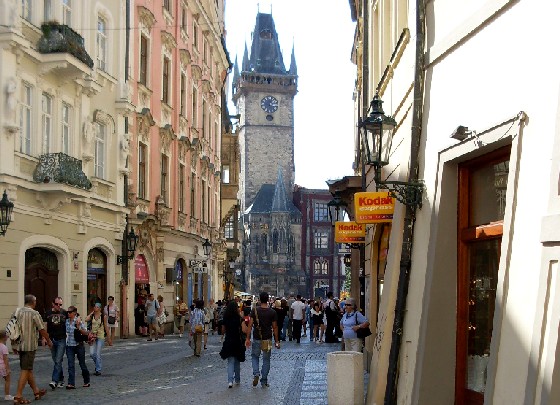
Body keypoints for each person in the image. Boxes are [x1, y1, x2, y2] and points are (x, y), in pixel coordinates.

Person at [12, 294, 52, 404]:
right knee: (25, 370)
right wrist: (48, 340)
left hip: (20, 345)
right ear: (33, 302)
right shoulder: (34, 313)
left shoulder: (17, 312)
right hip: (29, 346)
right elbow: (42, 329)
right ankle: (18, 396)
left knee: (28, 368)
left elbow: (12, 328)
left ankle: (36, 392)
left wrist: (13, 345)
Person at [245, 291, 280, 388]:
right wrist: (277, 341)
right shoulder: (272, 312)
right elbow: (275, 327)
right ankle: (264, 381)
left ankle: (256, 373)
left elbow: (250, 325)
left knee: (255, 356)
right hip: (267, 339)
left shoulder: (255, 311)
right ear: (268, 300)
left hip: (256, 338)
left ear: (260, 299)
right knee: (266, 360)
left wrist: (247, 338)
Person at [219, 301, 248, 388]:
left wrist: (223, 335)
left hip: (229, 341)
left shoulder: (226, 318)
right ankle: (237, 379)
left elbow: (223, 330)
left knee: (230, 362)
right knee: (237, 361)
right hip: (238, 341)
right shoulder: (239, 318)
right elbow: (244, 330)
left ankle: (230, 381)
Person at [43, 296, 66, 390]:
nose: (58, 306)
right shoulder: (48, 313)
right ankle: (61, 379)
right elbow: (44, 326)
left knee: (58, 360)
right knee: (56, 360)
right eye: (57, 304)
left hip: (62, 339)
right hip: (52, 339)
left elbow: (71, 320)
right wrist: (45, 338)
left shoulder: (64, 313)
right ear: (53, 304)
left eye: (60, 304)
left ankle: (54, 381)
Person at [65, 306, 90, 389]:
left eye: (70, 312)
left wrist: (78, 327)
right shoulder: (66, 321)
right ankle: (71, 383)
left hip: (79, 345)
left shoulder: (78, 321)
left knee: (82, 364)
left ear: (74, 313)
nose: (68, 313)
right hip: (69, 345)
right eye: (67, 312)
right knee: (70, 364)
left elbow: (85, 332)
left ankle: (86, 381)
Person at [85, 303, 108, 376]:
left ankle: (98, 369)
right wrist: (92, 313)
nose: (95, 308)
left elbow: (106, 326)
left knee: (98, 354)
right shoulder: (92, 316)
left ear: (100, 308)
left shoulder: (103, 316)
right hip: (93, 337)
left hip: (100, 336)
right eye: (94, 306)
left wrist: (108, 337)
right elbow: (86, 319)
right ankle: (98, 364)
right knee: (92, 354)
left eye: (97, 307)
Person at [0, 331, 13, 401]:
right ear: (4, 338)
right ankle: (7, 395)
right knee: (7, 380)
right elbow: (5, 359)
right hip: (2, 366)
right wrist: (7, 368)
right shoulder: (4, 347)